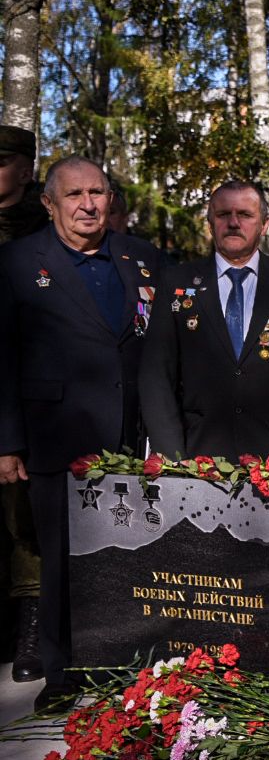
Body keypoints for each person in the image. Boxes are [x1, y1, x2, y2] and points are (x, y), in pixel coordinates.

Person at [0, 156, 166, 694]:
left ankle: (126, 666)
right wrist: (7, 443)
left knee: (131, 556)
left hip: (133, 437)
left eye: (97, 192)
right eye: (74, 195)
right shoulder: (18, 263)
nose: (88, 204)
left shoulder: (143, 259)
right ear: (49, 204)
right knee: (61, 563)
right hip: (55, 434)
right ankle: (62, 675)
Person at [140, 180, 269, 461]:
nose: (233, 223)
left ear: (264, 224)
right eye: (222, 215)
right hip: (198, 454)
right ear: (210, 224)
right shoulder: (176, 282)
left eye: (244, 214)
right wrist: (170, 454)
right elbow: (156, 374)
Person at [0, 125, 48, 683]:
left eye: (4, 160)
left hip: (25, 389)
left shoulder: (42, 228)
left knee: (23, 519)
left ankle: (30, 629)